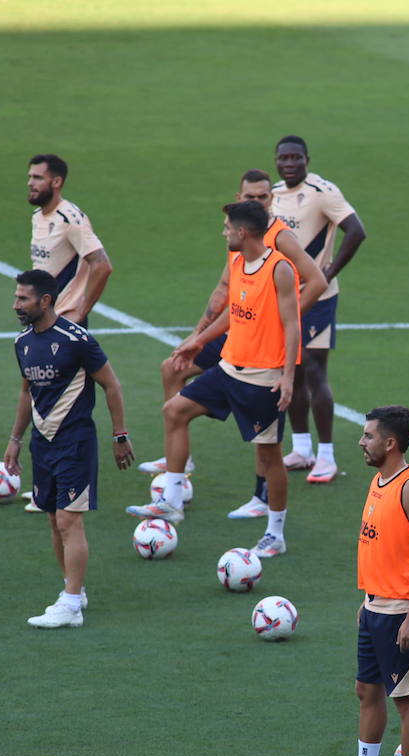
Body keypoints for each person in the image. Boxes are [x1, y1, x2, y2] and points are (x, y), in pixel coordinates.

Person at [135, 169, 326, 523]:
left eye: (263, 196)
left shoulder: (279, 251)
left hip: (263, 363)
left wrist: (279, 341)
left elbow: (306, 295)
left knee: (268, 452)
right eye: (251, 197)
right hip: (233, 350)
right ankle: (173, 492)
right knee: (173, 397)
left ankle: (271, 521)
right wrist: (196, 338)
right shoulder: (239, 254)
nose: (258, 201)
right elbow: (231, 302)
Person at [126, 200, 299, 557]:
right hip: (228, 368)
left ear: (243, 232)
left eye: (226, 228)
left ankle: (275, 533)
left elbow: (292, 324)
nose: (223, 233)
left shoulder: (280, 269)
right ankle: (171, 500)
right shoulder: (237, 262)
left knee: (270, 458)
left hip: (261, 379)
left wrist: (288, 377)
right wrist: (197, 341)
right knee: (175, 411)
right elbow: (234, 313)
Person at [317, 406, 409, 756]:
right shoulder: (379, 480)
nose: (361, 441)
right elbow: (382, 547)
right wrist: (367, 599)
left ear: (390, 443)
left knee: (407, 700)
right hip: (375, 607)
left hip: (401, 613)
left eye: (368, 435)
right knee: (367, 691)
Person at [2, 270, 134, 628]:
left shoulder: (77, 339)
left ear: (45, 301)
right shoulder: (23, 342)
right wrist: (14, 440)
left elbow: (112, 385)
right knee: (52, 520)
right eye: (16, 298)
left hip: (74, 441)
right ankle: (72, 588)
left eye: (23, 299)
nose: (16, 305)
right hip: (40, 444)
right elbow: (26, 392)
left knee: (68, 520)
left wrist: (119, 436)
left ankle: (71, 604)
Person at [271, 135, 367, 485]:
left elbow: (356, 231)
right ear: (277, 161)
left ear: (307, 159)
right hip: (283, 296)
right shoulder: (274, 194)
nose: (290, 163)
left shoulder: (322, 191)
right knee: (290, 369)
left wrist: (327, 274)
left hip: (318, 297)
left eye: (296, 157)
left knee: (314, 369)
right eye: (284, 158)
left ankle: (325, 454)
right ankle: (301, 448)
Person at [26, 154, 112, 327]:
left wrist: (81, 311)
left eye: (38, 178)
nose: (30, 183)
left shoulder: (69, 219)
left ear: (56, 182)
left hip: (63, 322)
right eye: (29, 177)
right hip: (42, 318)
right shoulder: (37, 216)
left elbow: (102, 265)